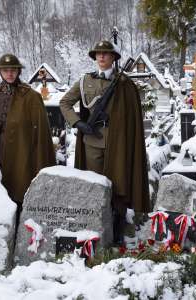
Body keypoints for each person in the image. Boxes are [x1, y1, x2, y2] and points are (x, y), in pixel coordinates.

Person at [60, 40, 150, 245]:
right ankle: (93, 230)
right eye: (98, 54)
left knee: (118, 187)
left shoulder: (125, 84)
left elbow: (133, 116)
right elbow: (65, 103)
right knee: (95, 186)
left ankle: (117, 231)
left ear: (113, 58)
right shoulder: (85, 81)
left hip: (119, 144)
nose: (101, 57)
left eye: (106, 54)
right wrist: (78, 123)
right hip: (93, 143)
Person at [0, 54, 55, 204]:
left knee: (19, 189)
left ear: (18, 71)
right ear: (0, 72)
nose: (10, 73)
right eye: (5, 70)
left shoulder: (30, 96)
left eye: (13, 70)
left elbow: (41, 131)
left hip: (21, 152)